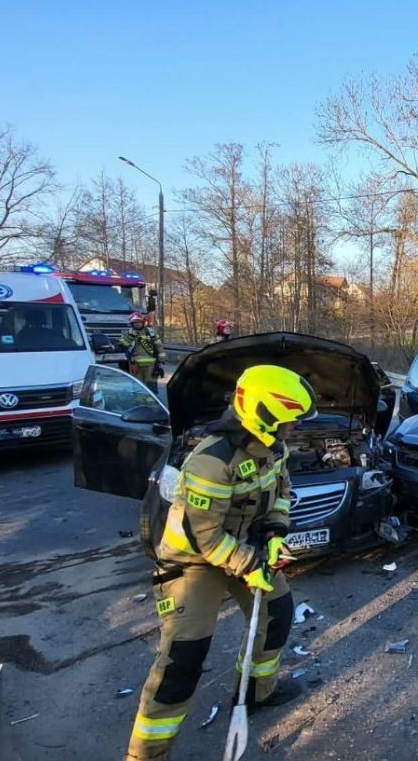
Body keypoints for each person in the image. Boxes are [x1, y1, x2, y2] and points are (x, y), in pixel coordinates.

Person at [125, 365, 315, 760]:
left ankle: (256, 694)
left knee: (277, 613)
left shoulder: (273, 449)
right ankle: (146, 754)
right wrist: (250, 565)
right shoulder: (211, 460)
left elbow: (282, 491)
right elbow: (204, 537)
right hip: (192, 564)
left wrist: (276, 534)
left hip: (242, 549)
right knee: (183, 660)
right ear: (265, 417)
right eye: (290, 422)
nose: (294, 430)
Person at [119, 312, 165, 391]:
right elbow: (123, 345)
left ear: (143, 322)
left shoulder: (151, 332)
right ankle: (139, 402)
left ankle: (151, 402)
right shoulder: (128, 333)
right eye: (135, 322)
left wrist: (161, 359)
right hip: (135, 364)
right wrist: (131, 337)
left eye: (139, 322)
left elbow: (159, 346)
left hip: (151, 364)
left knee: (151, 384)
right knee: (137, 385)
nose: (137, 324)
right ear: (132, 323)